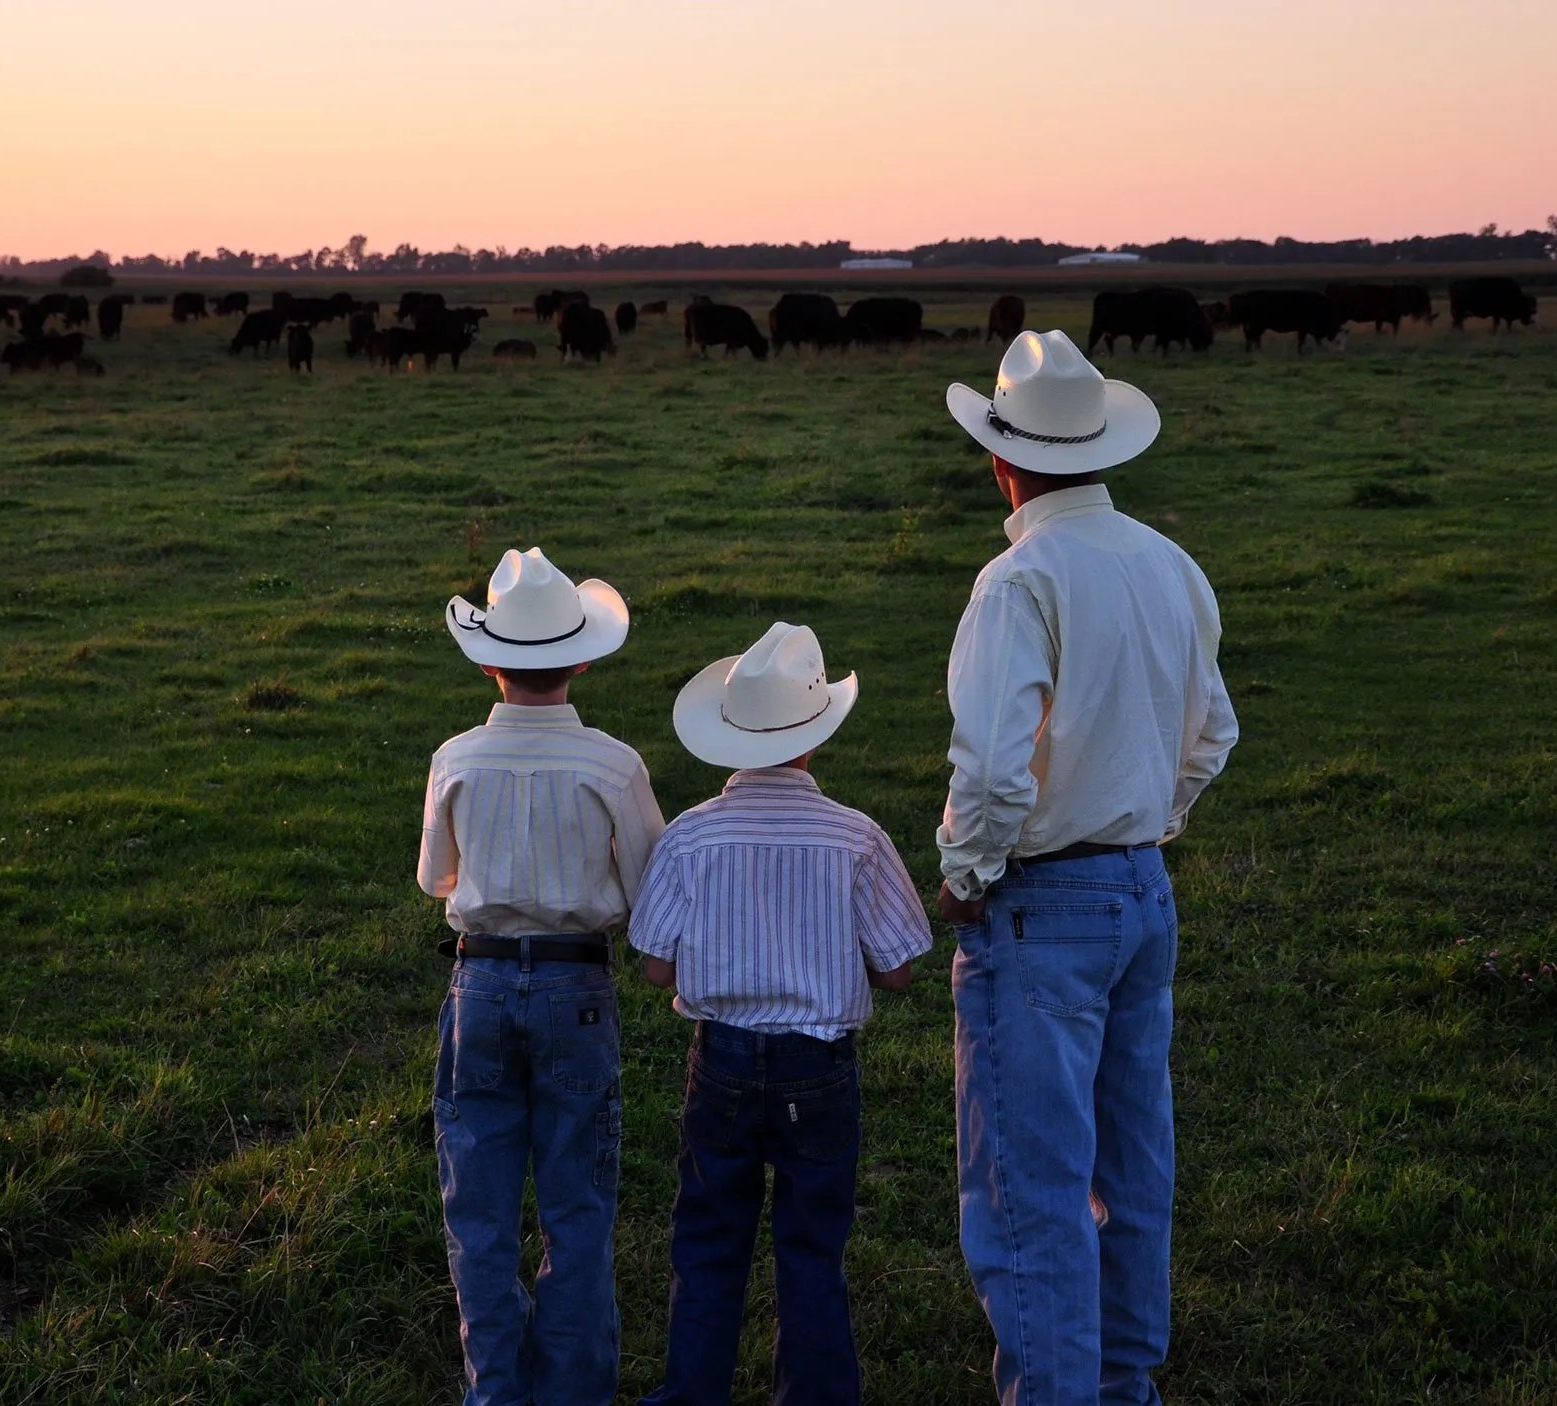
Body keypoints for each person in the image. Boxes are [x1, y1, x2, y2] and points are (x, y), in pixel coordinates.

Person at [934, 330, 1240, 1404]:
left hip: (1042, 904)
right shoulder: (1169, 562)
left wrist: (968, 871)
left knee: (1031, 1183)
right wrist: (1152, 816)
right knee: (1133, 1167)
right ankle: (1125, 1386)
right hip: (1141, 891)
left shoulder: (1018, 581)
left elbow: (992, 764)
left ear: (1002, 459)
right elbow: (1216, 731)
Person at [628, 621, 933, 1405]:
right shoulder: (856, 838)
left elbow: (657, 963)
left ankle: (692, 1394)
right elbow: (898, 968)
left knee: (707, 1242)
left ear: (730, 735)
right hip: (819, 1067)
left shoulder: (690, 837)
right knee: (810, 1249)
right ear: (814, 736)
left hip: (721, 1059)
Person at [418, 547, 667, 1406]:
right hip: (576, 987)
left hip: (480, 982)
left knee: (478, 1212)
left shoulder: (455, 759)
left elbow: (434, 879)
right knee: (578, 1204)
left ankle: (496, 1391)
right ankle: (573, 1391)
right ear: (584, 655)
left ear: (489, 660)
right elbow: (649, 886)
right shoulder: (613, 764)